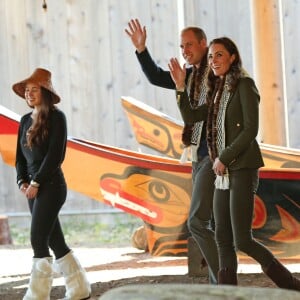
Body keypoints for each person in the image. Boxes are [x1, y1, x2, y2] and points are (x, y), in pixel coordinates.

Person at [172, 36, 300, 290]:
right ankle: (227, 295)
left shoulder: (244, 85)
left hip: (241, 167)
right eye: (210, 56)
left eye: (219, 55)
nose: (213, 60)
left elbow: (251, 130)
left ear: (232, 57)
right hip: (223, 171)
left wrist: (223, 157)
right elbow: (192, 116)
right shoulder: (216, 91)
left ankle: (291, 285)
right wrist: (179, 87)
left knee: (242, 239)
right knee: (222, 238)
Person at [125, 18, 218, 284]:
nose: (185, 50)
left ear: (204, 43)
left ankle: (221, 280)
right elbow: (155, 76)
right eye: (181, 46)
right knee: (206, 222)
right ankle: (218, 280)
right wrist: (141, 49)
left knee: (200, 222)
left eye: (190, 44)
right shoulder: (186, 75)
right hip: (199, 157)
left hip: (216, 156)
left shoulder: (217, 74)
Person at [13, 68, 91, 300]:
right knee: (55, 239)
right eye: (26, 91)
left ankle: (37, 294)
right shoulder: (25, 120)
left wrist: (36, 182)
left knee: (37, 238)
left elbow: (55, 156)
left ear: (45, 92)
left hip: (52, 186)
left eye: (34, 90)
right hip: (32, 188)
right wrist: (22, 181)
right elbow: (19, 157)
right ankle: (79, 288)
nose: (29, 94)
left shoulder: (57, 118)